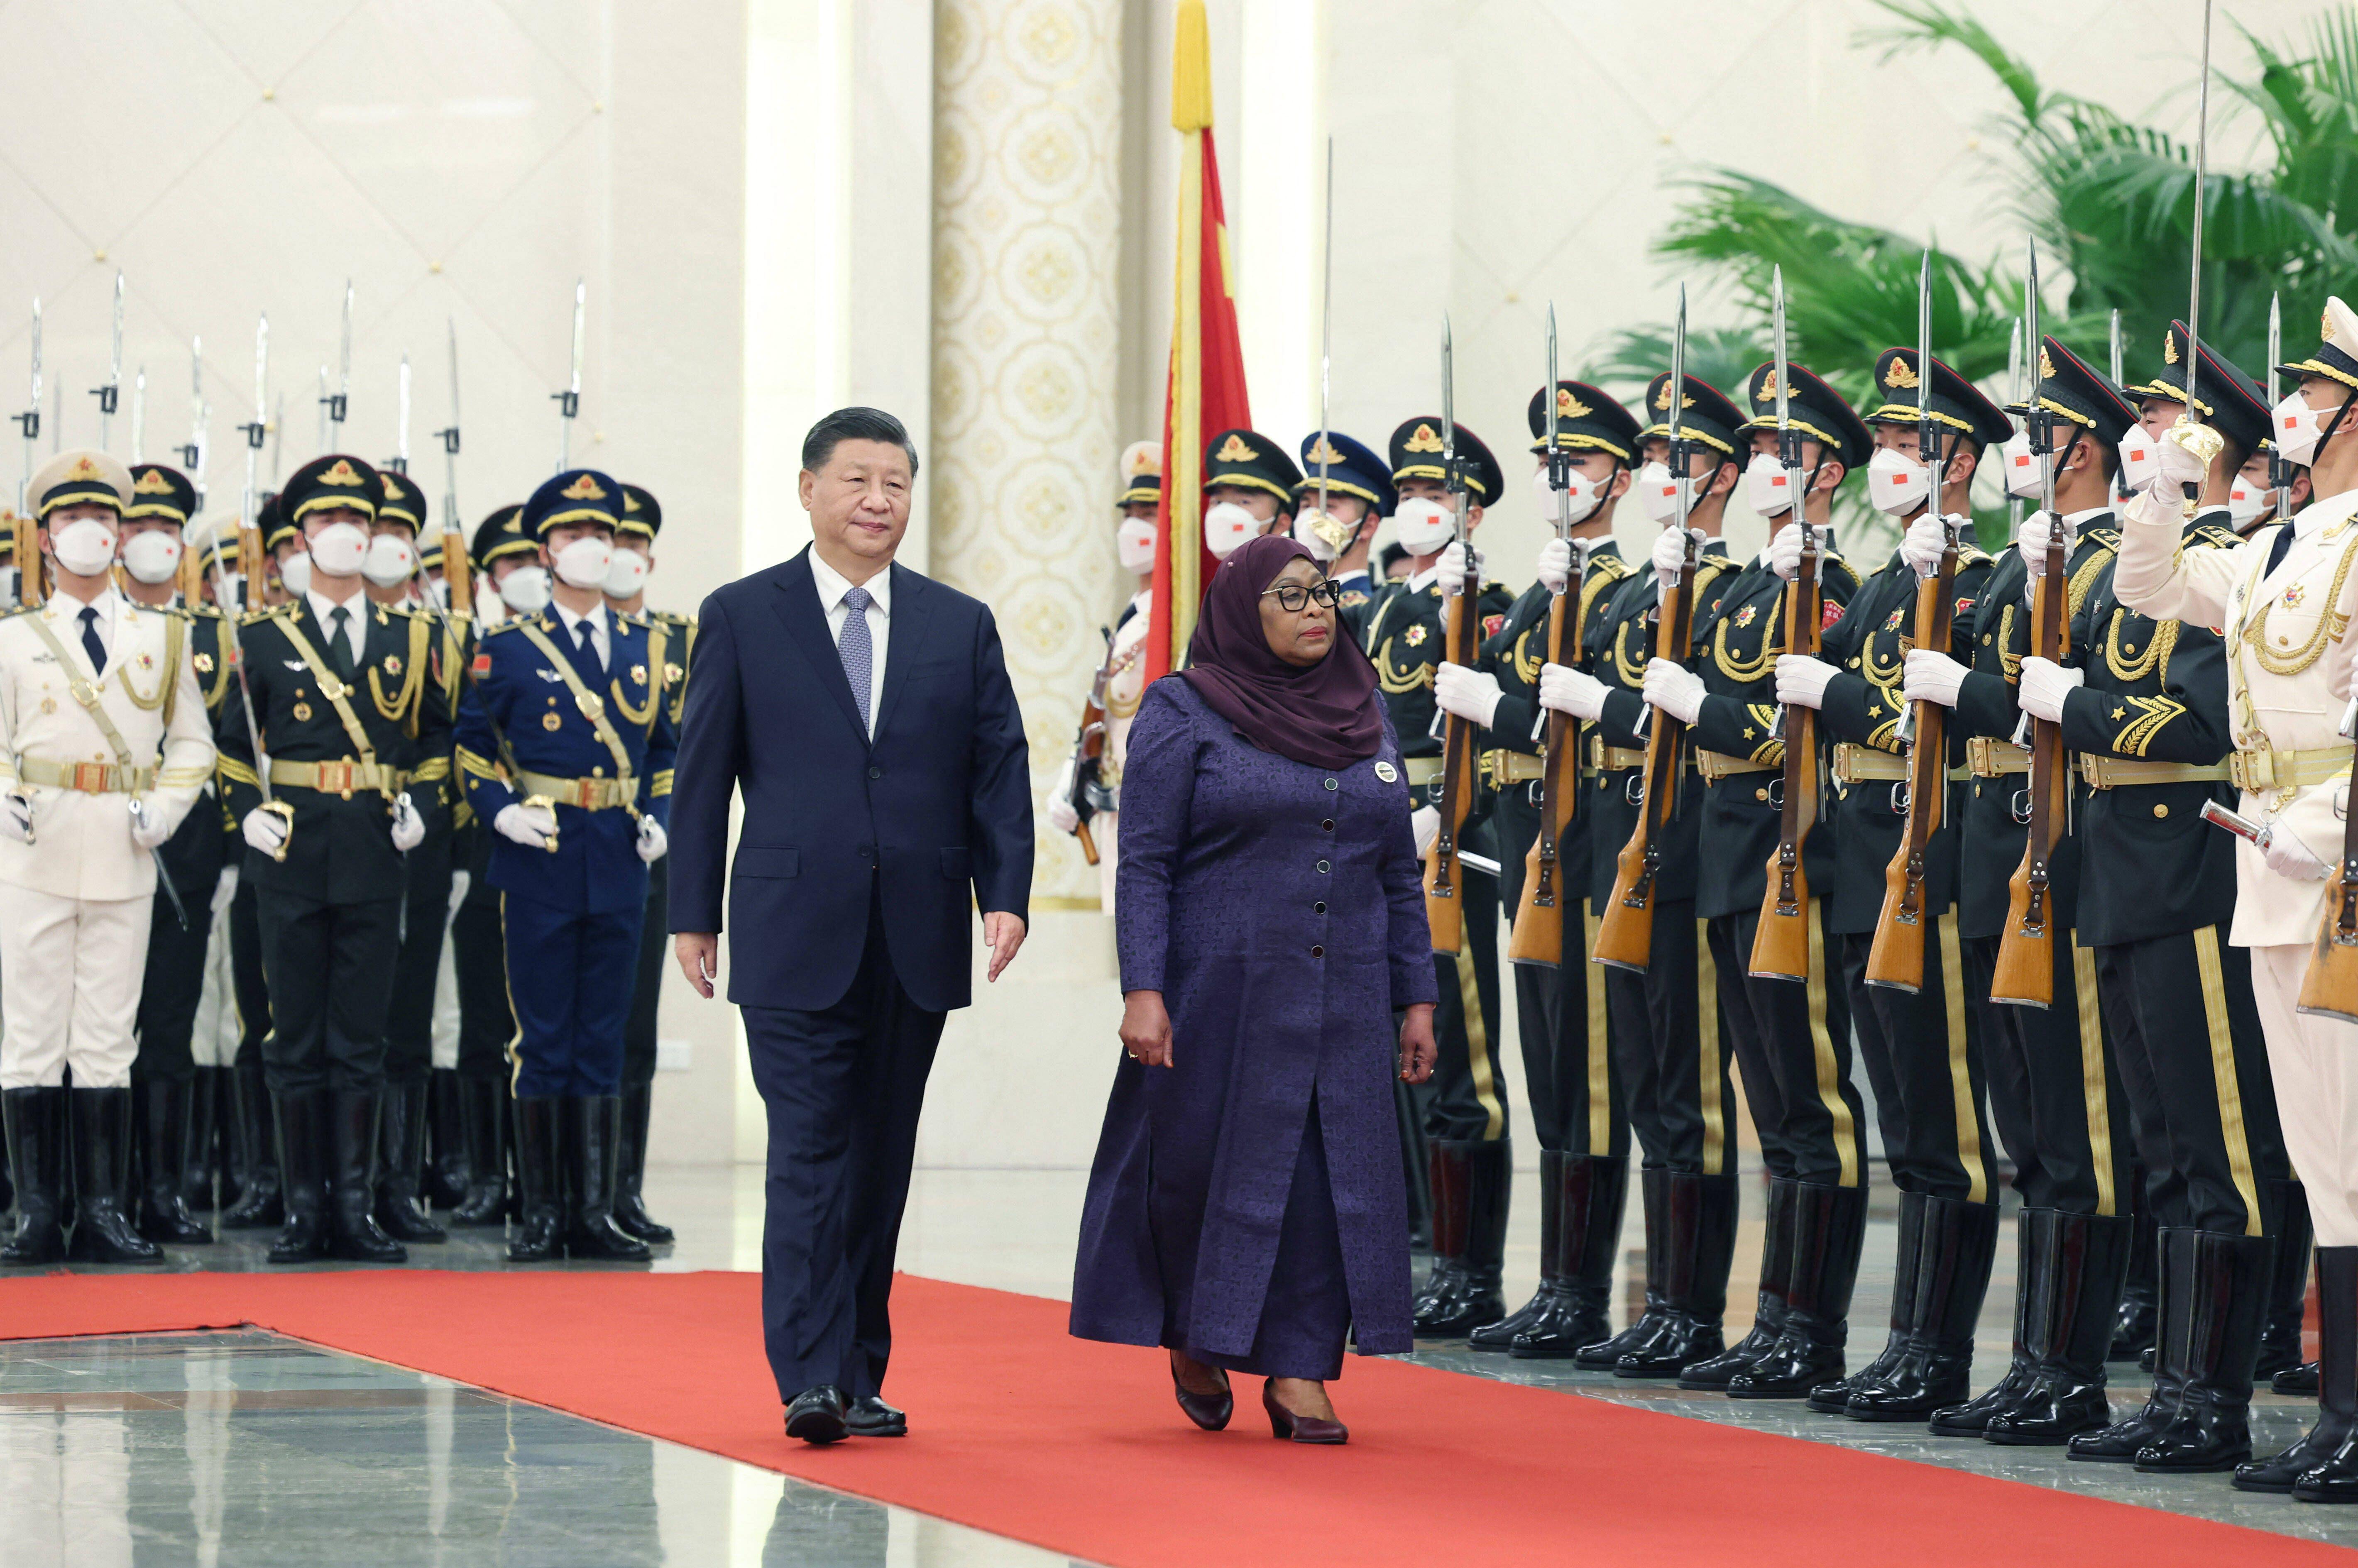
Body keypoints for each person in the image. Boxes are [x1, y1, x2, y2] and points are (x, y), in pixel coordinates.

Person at [668, 406, 1032, 1446]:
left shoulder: (956, 623)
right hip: (789, 926)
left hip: (914, 930)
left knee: (878, 1158)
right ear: (808, 489)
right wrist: (691, 912)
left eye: (897, 484)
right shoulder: (743, 613)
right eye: (858, 480)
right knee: (809, 1150)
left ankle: (859, 1369)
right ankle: (809, 1376)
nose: (879, 501)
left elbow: (995, 769)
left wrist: (1002, 892)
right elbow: (701, 778)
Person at [1071, 533, 1438, 1444]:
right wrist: (1143, 988)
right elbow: (1144, 861)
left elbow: (1398, 870)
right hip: (1216, 989)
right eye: (1290, 596)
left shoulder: (1366, 708)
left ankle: (1300, 1366)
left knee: (1322, 1177)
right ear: (1243, 610)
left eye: (1322, 594)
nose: (1317, 610)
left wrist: (1416, 995)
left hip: (1345, 991)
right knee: (1204, 1168)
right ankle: (1193, 1332)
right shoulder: (1183, 708)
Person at [2113, 296, 2358, 1498]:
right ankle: (2337, 1416)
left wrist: (2314, 830)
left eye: (2314, 397)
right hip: (2266, 869)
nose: (2294, 412)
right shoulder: (2274, 548)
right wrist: (2163, 487)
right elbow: (2150, 588)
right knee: (2321, 1153)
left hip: (2337, 868)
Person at [1900, 339, 2139, 1446]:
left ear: (2080, 447)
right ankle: (2033, 1358)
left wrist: (1972, 686)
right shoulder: (2017, 560)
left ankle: (2072, 1368)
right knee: (2025, 1125)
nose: (2012, 456)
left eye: (2030, 437)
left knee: (2073, 1115)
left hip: (2066, 842)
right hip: (1998, 846)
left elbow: (2069, 694)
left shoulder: (2118, 562)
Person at [1774, 350, 2006, 1421]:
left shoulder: (1989, 578)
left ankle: (1939, 1349)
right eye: (1888, 445)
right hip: (1867, 860)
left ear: (1959, 457)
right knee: (1906, 1115)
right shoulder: (1875, 580)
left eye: (1914, 445)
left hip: (1935, 856)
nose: (1891, 462)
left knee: (1945, 1113)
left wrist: (1847, 688)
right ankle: (1907, 1340)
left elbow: (1942, 716)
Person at [1643, 360, 1866, 1398]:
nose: (1761, 465)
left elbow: (1791, 737)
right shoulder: (1737, 593)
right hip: (1728, 860)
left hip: (1797, 859)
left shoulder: (1839, 592)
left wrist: (1704, 711)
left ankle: (1812, 1327)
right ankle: (1773, 1313)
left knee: (1811, 1101)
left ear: (1822, 472)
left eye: (1783, 451)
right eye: (1760, 449)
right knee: (1771, 1104)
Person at [1539, 370, 1746, 1378]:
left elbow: (1700, 716)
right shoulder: (1631, 592)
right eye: (1655, 457)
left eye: (1677, 458)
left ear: (1722, 473)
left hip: (1689, 844)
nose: (1662, 472)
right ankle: (1662, 1301)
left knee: (1688, 1081)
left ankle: (1694, 1308)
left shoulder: (1730, 590)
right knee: (1647, 1084)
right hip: (1620, 842)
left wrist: (1610, 707)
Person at [1435, 381, 1636, 1360]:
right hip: (1527, 846)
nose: (1564, 481)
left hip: (1589, 845)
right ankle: (1555, 1282)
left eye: (1582, 465)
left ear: (1619, 480)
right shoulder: (1545, 594)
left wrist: (1495, 704)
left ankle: (1582, 1290)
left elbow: (1573, 723)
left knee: (1589, 1069)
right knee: (1550, 1069)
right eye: (1551, 467)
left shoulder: (1625, 594)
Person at [215, 454, 450, 1266]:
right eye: (326, 522)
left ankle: (355, 1207)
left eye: (359, 521)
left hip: (374, 851)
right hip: (290, 850)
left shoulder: (410, 638)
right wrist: (248, 816)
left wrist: (420, 803)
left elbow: (432, 738)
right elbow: (229, 748)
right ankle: (301, 1206)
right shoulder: (259, 638)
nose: (344, 534)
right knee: (292, 1032)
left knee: (361, 1033)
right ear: (301, 537)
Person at [455, 469, 677, 1263]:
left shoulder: (650, 649)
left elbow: (664, 753)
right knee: (544, 1036)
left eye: (604, 536)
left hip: (618, 856)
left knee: (605, 1036)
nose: (593, 549)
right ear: (547, 549)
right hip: (541, 857)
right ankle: (544, 1210)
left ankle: (595, 1208)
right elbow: (472, 751)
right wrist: (500, 811)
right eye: (576, 536)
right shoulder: (506, 650)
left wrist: (660, 817)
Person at [0, 450, 216, 1265]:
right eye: (70, 520)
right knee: (29, 1034)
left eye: (102, 519)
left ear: (121, 534)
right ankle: (34, 1213)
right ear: (45, 537)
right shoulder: (16, 638)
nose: (88, 533)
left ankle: (101, 1212)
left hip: (126, 847)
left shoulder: (164, 634)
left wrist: (168, 803)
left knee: (104, 1036)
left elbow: (192, 737)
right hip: (32, 847)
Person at [1365, 414, 1515, 1336]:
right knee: (1388, 1040)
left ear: (1473, 511)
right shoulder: (1385, 605)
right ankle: (1423, 1247)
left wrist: (1442, 819)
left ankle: (1469, 1271)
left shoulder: (1487, 606)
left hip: (1447, 836)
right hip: (1374, 830)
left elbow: (1499, 732)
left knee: (1457, 1047)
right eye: (1412, 492)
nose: (1420, 508)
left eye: (1439, 495)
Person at [116, 464, 237, 1245]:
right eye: (138, 526)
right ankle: (80, 1192)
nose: (150, 541)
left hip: (186, 857)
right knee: (86, 1029)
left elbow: (227, 751)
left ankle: (159, 1193)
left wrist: (225, 856)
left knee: (169, 1027)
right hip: (94, 849)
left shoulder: (212, 636)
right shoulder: (74, 629)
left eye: (167, 529)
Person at [443, 504, 535, 1228]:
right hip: (479, 848)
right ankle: (484, 1174)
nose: (525, 576)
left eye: (533, 561)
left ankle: (544, 1178)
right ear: (487, 578)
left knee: (545, 1024)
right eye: (510, 566)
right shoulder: (469, 648)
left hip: (557, 846)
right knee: (482, 1021)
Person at [603, 481, 690, 1243]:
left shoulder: (678, 642)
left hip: (649, 851)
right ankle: (570, 1188)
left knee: (635, 1027)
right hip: (575, 844)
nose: (619, 556)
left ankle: (622, 1188)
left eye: (631, 543)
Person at [1046, 443, 1162, 910]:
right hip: (1118, 812)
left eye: (1149, 513)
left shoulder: (1181, 619)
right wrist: (1072, 776)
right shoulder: (1131, 619)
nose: (1135, 526)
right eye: (1130, 513)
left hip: (1156, 818)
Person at [1201, 429, 1301, 562]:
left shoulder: (1295, 581)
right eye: (1218, 502)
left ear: (1281, 524)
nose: (1225, 513)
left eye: (1244, 502)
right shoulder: (1220, 582)